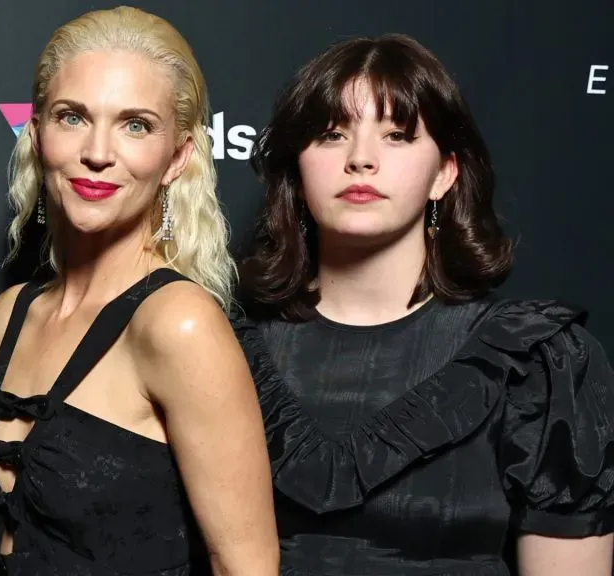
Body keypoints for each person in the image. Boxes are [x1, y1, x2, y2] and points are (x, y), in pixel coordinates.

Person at [236, 34, 614, 575]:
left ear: (444, 174)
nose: (360, 160)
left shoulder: (537, 363)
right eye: (332, 134)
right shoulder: (225, 349)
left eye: (397, 135)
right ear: (297, 171)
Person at [0, 6, 278, 575]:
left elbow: (245, 565)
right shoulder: (5, 318)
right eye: (72, 117)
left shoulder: (179, 323)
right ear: (37, 133)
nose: (98, 152)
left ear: (177, 157)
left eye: (136, 125)